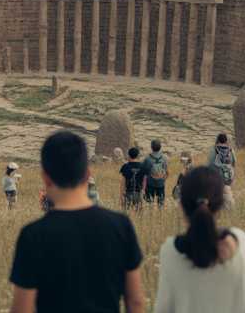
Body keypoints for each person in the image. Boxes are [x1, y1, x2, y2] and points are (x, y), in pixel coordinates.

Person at [8, 131, 145, 313]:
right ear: (87, 174)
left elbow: (22, 309)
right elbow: (135, 302)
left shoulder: (32, 235)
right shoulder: (121, 225)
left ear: (45, 177)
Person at [154, 166, 245, 313]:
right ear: (221, 204)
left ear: (182, 205)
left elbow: (163, 309)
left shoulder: (170, 250)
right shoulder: (240, 242)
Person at [208, 134, 236, 210]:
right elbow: (234, 163)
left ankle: (219, 211)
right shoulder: (230, 150)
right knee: (227, 193)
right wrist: (233, 176)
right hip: (227, 176)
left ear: (217, 140)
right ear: (226, 140)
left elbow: (210, 164)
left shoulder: (213, 150)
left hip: (216, 177)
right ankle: (230, 210)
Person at [142, 139, 169, 207]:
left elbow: (144, 173)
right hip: (161, 184)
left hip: (150, 184)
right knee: (161, 204)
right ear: (160, 147)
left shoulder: (147, 159)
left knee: (149, 203)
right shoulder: (164, 158)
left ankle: (151, 215)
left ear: (151, 147)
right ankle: (160, 216)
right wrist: (163, 180)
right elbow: (166, 172)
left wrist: (143, 188)